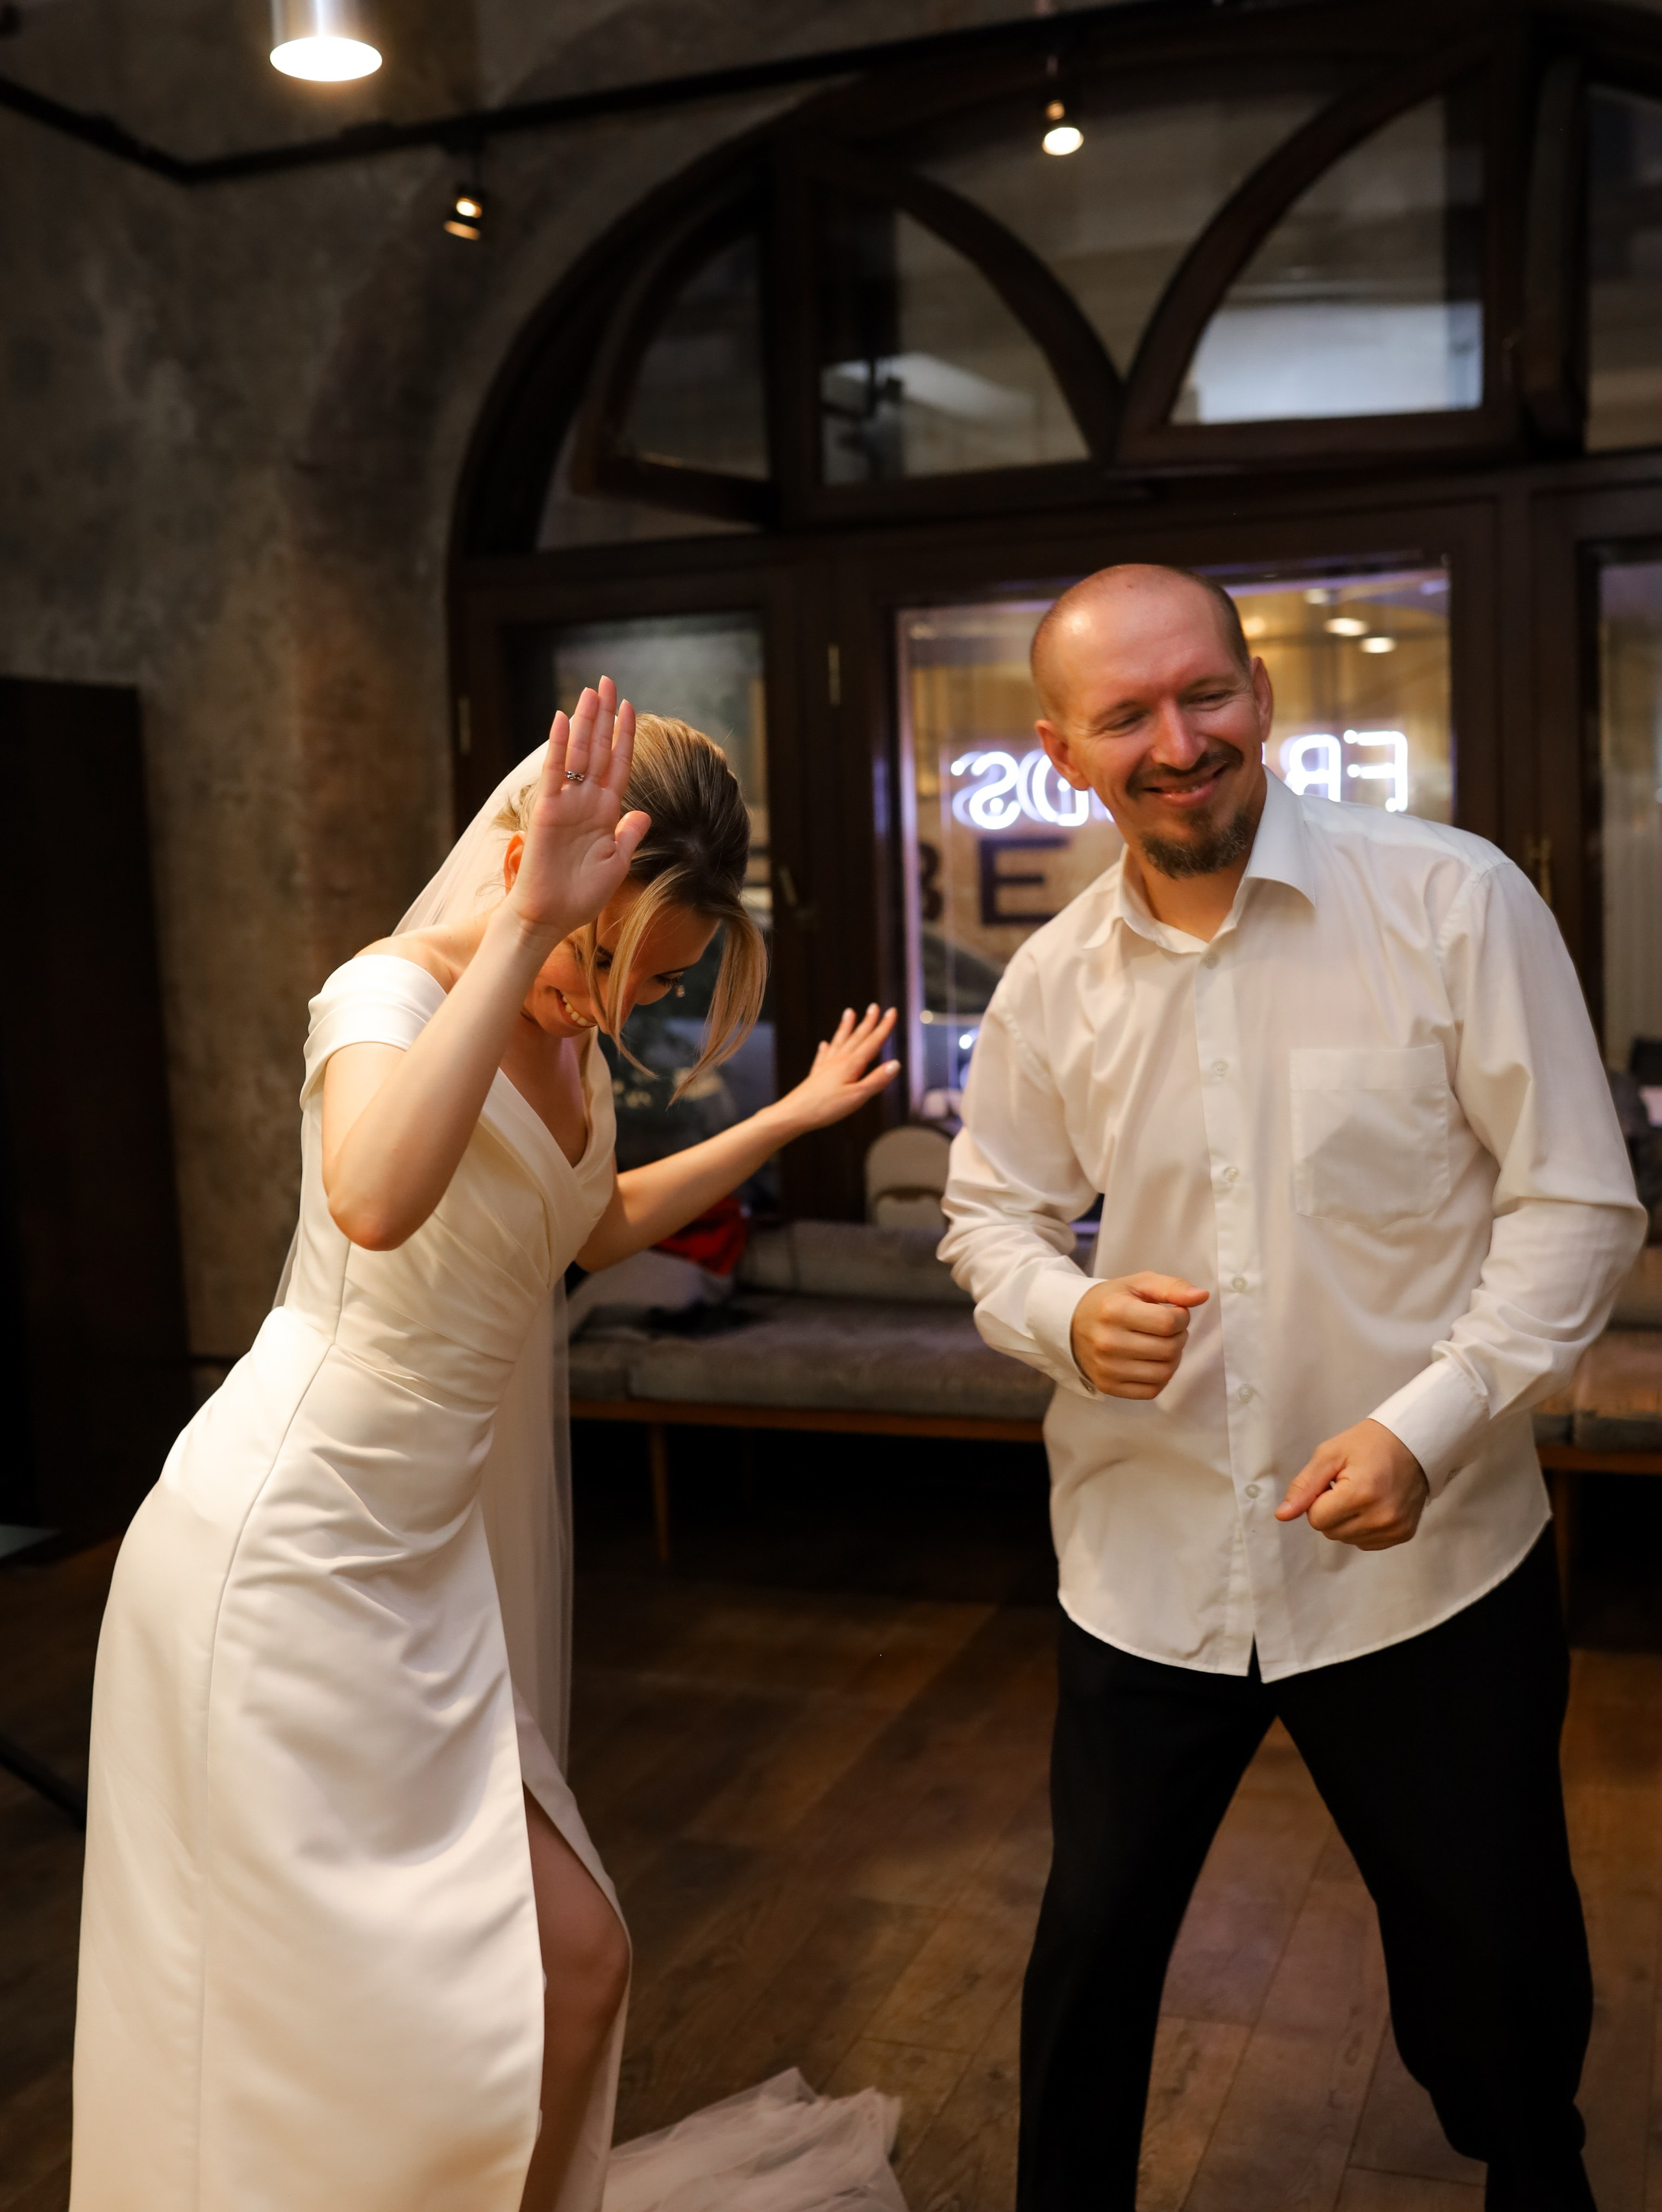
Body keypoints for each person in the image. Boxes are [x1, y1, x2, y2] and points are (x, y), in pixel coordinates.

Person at [71, 683, 900, 2212]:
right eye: (611, 962)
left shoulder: (567, 1045)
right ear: (533, 868)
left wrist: (787, 1119)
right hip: (279, 1555)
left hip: (417, 1567)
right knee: (311, 2013)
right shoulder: (384, 998)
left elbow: (594, 1222)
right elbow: (376, 1198)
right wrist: (525, 936)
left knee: (572, 1963)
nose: (620, 1009)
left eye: (660, 987)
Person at [937, 565, 1647, 2212]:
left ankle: (1535, 2182)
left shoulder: (1452, 903)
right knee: (1089, 1958)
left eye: (1204, 695)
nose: (1176, 742)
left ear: (1259, 695)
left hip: (1424, 1565)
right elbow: (987, 1216)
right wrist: (1062, 1311)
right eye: (1125, 716)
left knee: (1493, 1969)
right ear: (1061, 754)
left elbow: (1574, 1202)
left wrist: (1424, 1426)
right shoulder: (1048, 983)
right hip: (1146, 1560)